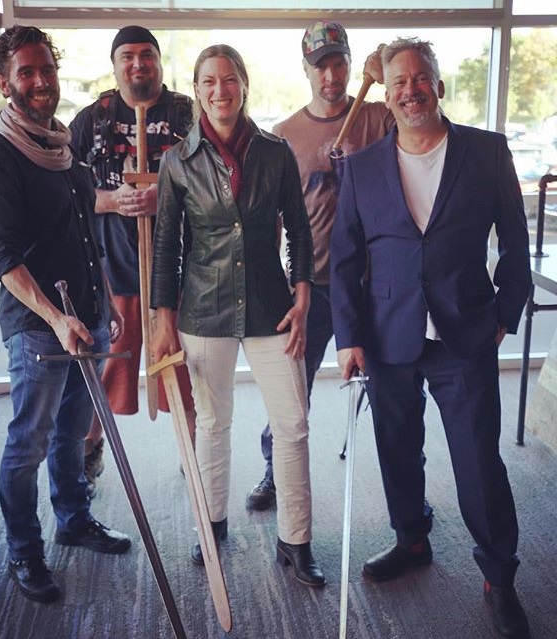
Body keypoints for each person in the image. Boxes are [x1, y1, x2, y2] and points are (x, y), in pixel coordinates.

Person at [330, 37, 531, 638]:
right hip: (388, 335)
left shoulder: (486, 152)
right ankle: (411, 539)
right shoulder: (363, 166)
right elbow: (345, 258)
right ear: (387, 96)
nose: (410, 90)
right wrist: (349, 337)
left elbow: (516, 241)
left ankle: (500, 576)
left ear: (438, 87)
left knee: (478, 462)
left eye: (421, 79)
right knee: (397, 449)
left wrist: (504, 313)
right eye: (399, 82)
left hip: (465, 334)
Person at [150, 44, 325, 587]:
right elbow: (166, 246)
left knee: (293, 424)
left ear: (244, 85)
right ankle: (211, 525)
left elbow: (299, 230)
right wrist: (162, 320)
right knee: (212, 423)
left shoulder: (276, 152)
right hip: (203, 309)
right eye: (208, 81)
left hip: (273, 306)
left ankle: (296, 540)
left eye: (229, 80)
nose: (219, 90)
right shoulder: (177, 161)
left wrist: (303, 294)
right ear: (197, 90)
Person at [0, 25, 131, 605]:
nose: (40, 82)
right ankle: (24, 551)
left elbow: (85, 233)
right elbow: (3, 258)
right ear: (4, 83)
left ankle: (74, 520)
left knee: (71, 434)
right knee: (28, 444)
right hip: (40, 331)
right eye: (27, 73)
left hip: (86, 319)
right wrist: (56, 319)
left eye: (47, 69)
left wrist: (104, 297)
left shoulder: (63, 148)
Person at [246, 20, 394, 511]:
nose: (331, 76)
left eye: (339, 64)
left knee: (395, 393)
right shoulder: (284, 135)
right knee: (293, 392)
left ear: (351, 64)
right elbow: (271, 221)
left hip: (377, 284)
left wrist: (389, 65)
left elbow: (424, 115)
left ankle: (407, 498)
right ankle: (275, 471)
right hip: (313, 286)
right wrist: (277, 287)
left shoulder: (378, 116)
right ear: (306, 70)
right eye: (321, 66)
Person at [69, 26, 196, 497]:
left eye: (147, 55)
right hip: (113, 270)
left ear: (159, 61)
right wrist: (110, 200)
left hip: (180, 273)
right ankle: (89, 452)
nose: (138, 64)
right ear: (115, 64)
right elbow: (68, 191)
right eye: (128, 56)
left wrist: (167, 198)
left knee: (183, 372)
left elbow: (216, 180)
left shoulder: (187, 114)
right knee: (107, 371)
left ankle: (193, 457)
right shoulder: (92, 119)